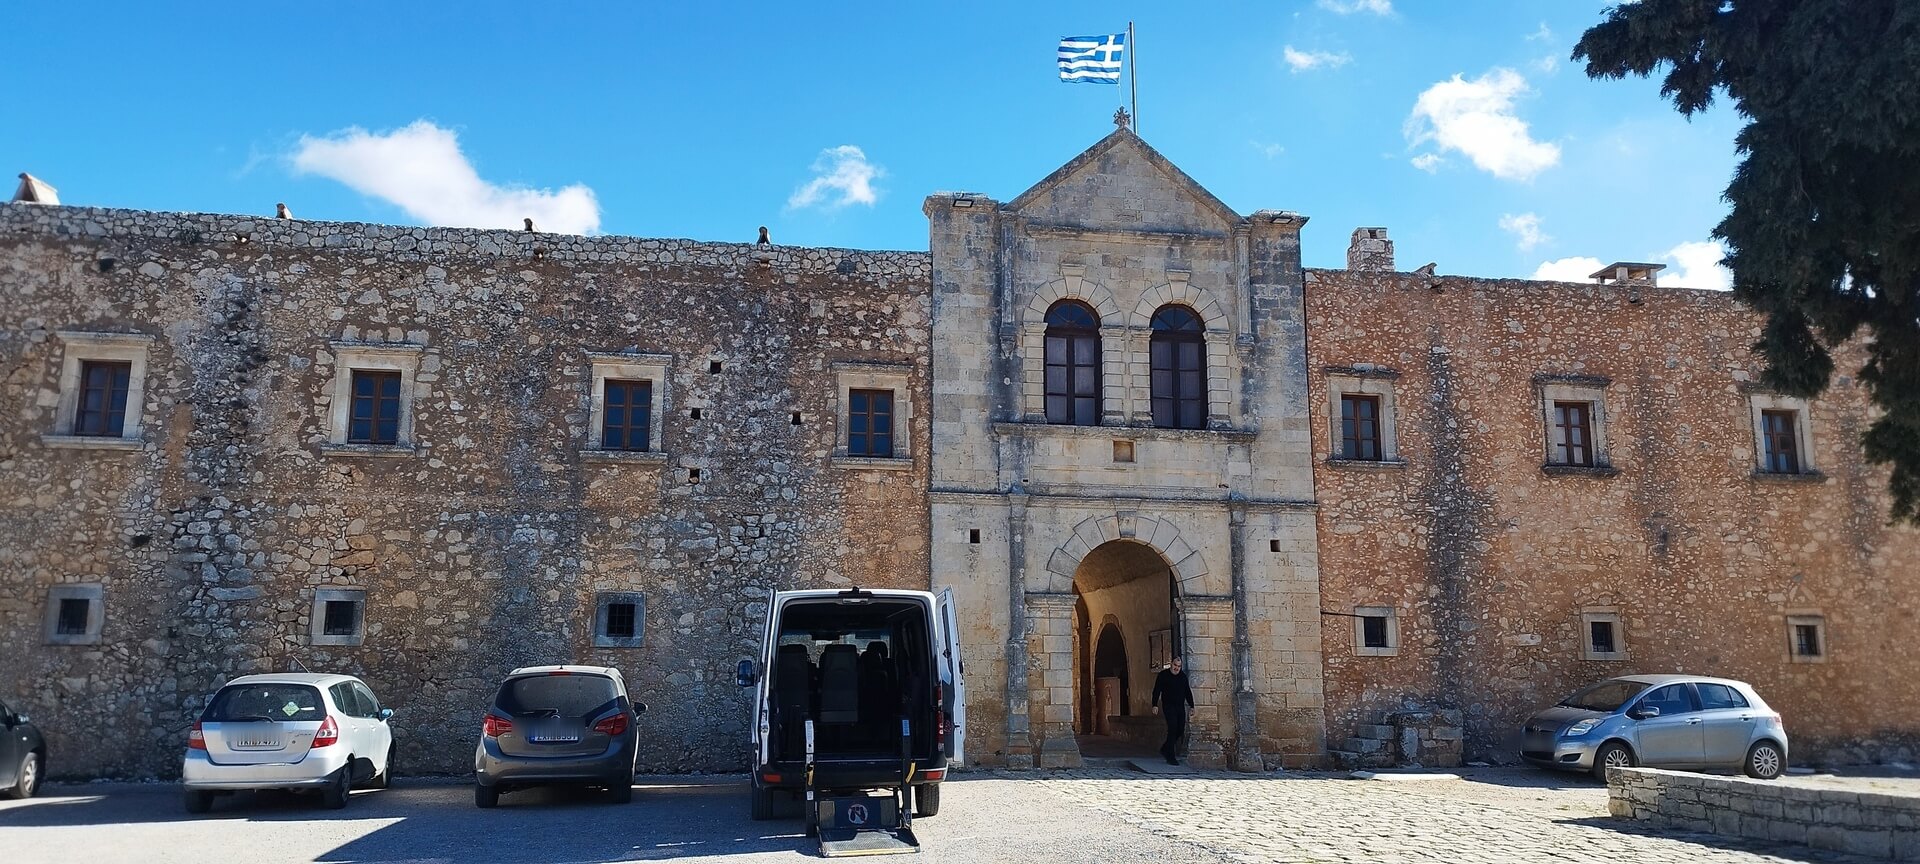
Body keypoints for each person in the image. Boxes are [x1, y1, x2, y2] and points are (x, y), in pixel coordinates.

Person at [1151, 656, 1194, 765]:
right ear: (1171, 664)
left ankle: (1165, 748)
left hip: (1180, 706)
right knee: (1172, 728)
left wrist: (1192, 706)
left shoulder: (1182, 677)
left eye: (1179, 666)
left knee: (1180, 729)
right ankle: (1170, 756)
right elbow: (1156, 690)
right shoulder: (1163, 675)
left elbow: (1187, 692)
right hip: (1168, 706)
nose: (1176, 668)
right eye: (1175, 665)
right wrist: (1154, 704)